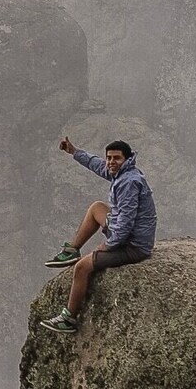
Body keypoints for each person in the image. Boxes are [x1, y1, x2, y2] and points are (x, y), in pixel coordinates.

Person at [40, 137, 157, 333]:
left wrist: (108, 245)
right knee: (97, 208)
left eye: (116, 158)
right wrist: (74, 151)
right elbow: (97, 165)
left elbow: (126, 223)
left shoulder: (129, 182)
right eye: (109, 158)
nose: (111, 162)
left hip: (133, 246)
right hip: (129, 235)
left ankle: (69, 319)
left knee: (82, 267)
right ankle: (72, 250)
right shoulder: (123, 172)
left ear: (126, 159)